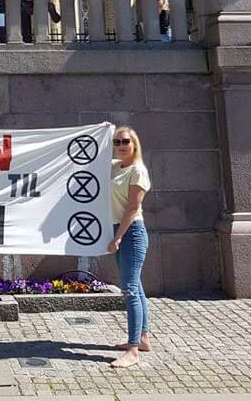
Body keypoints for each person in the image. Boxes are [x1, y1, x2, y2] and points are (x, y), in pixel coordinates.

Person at [107, 125, 152, 369]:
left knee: (130, 290)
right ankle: (143, 338)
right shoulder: (116, 166)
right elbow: (95, 155)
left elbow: (133, 208)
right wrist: (105, 131)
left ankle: (132, 350)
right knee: (138, 288)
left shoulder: (138, 171)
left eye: (125, 141)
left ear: (134, 143)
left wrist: (118, 238)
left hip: (131, 232)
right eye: (117, 142)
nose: (121, 146)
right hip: (119, 231)